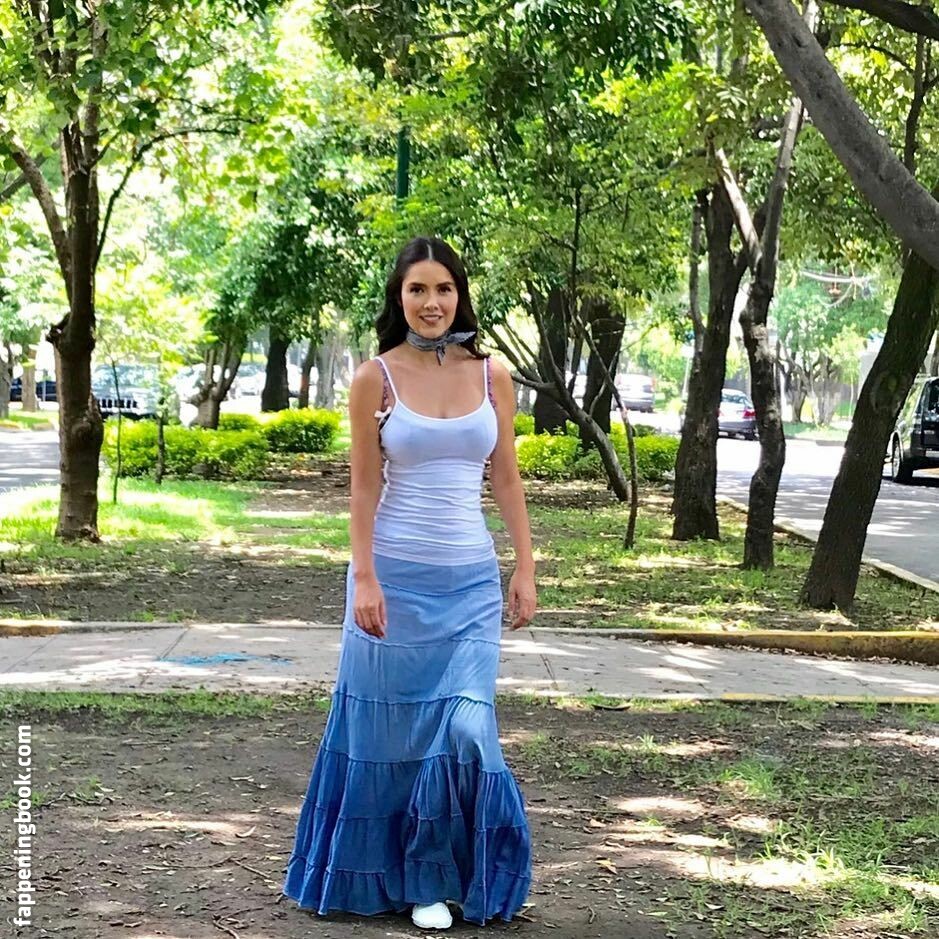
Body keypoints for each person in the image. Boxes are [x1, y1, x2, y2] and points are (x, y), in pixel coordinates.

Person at [282, 236, 537, 930]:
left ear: (461, 295)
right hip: (391, 579)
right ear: (399, 299)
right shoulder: (376, 377)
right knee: (388, 736)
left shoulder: (493, 375)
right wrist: (364, 577)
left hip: (470, 585)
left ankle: (445, 871)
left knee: (467, 729)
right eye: (417, 289)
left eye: (443, 288)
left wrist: (524, 565)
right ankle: (418, 885)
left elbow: (506, 478)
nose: (431, 302)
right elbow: (363, 488)